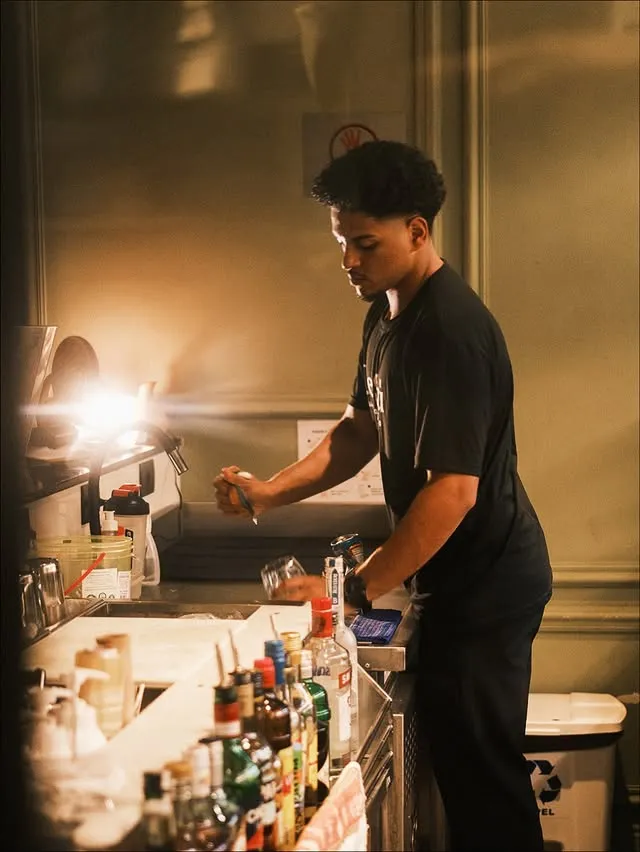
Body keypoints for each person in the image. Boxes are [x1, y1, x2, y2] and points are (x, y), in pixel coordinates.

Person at [213, 140, 552, 852]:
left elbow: (452, 494)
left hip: (487, 584)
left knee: (484, 784)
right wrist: (269, 493)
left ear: (417, 232)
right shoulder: (388, 313)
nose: (348, 260)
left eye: (364, 244)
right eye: (341, 242)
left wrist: (352, 592)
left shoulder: (450, 331)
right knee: (466, 773)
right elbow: (359, 429)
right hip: (455, 580)